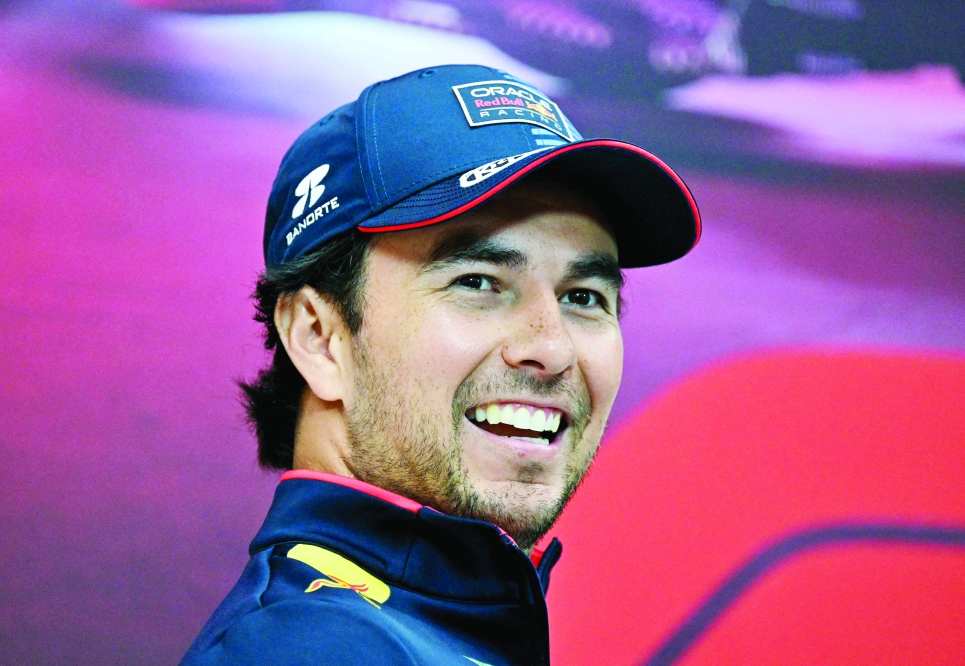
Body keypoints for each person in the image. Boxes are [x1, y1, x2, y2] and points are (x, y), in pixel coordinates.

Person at [180, 64, 700, 666]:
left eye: (583, 297)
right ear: (320, 338)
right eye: (478, 282)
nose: (552, 348)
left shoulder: (408, 629)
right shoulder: (313, 648)